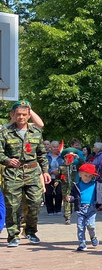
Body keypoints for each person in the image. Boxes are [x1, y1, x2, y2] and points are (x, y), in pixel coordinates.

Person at [0, 100, 51, 247]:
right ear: (13, 115)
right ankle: (13, 235)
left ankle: (30, 231)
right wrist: (8, 160)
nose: (21, 117)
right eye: (18, 114)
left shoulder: (35, 132)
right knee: (12, 206)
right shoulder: (5, 132)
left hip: (32, 172)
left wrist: (45, 171)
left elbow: (42, 154)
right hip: (12, 174)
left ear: (29, 116)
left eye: (24, 114)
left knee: (35, 203)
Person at [70, 163, 102, 251]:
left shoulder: (95, 184)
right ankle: (82, 242)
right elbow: (73, 195)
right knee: (80, 226)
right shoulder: (76, 185)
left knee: (90, 225)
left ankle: (93, 237)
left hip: (91, 208)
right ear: (80, 174)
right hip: (80, 208)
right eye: (85, 175)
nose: (87, 178)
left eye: (90, 176)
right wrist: (70, 198)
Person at [59, 147, 85, 225]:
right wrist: (58, 181)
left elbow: (83, 165)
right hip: (65, 186)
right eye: (68, 157)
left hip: (74, 184)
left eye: (72, 157)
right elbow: (58, 176)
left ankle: (70, 212)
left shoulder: (74, 166)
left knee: (73, 200)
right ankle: (67, 217)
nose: (70, 159)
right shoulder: (61, 167)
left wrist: (78, 158)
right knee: (66, 200)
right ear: (64, 158)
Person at [44, 141, 64, 216]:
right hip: (49, 177)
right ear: (50, 148)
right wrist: (51, 171)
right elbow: (44, 166)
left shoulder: (61, 156)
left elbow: (64, 165)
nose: (55, 148)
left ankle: (58, 209)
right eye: (54, 147)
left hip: (59, 178)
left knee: (59, 193)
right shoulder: (47, 156)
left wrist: (59, 171)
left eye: (57, 146)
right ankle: (50, 210)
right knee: (48, 194)